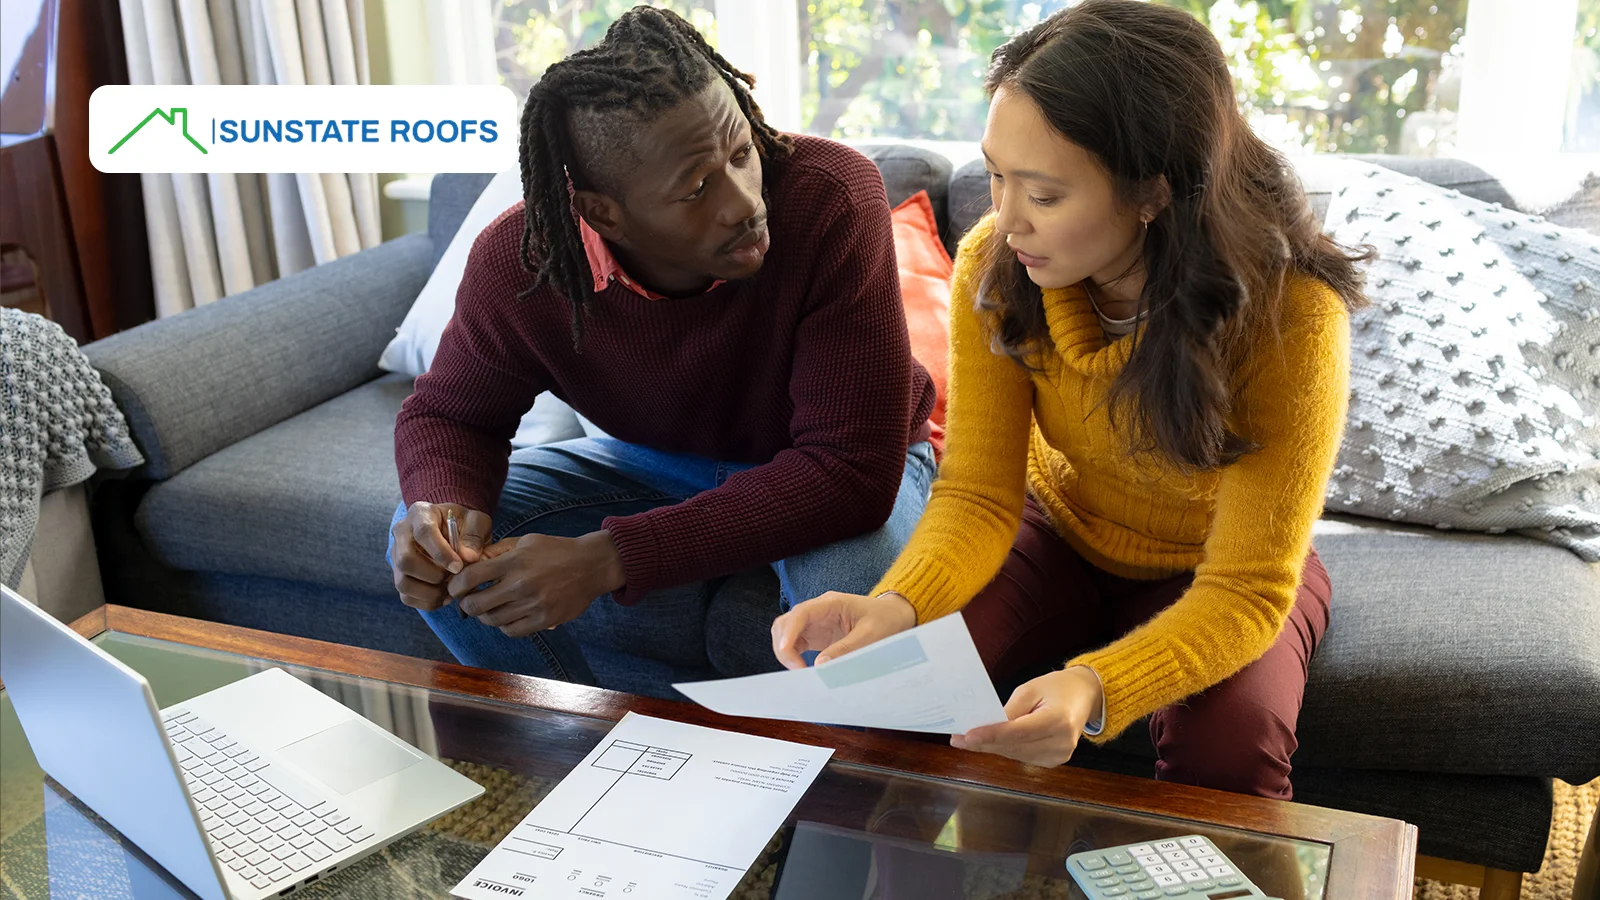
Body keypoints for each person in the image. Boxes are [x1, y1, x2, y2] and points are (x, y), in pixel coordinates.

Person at [771, 0, 1369, 800]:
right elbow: (981, 493)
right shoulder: (994, 262)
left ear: (1153, 191)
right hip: (1057, 531)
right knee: (897, 690)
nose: (1003, 218)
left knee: (1232, 749)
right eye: (994, 176)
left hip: (1216, 566)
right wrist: (897, 604)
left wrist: (1094, 687)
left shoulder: (1291, 315)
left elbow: (1248, 586)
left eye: (1044, 195)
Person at [389, 7, 936, 695]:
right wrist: (438, 507)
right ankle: (575, 750)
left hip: (851, 465)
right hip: (655, 464)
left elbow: (850, 472)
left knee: (849, 624)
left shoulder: (831, 197)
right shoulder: (522, 262)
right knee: (449, 555)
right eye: (698, 188)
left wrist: (606, 558)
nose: (744, 201)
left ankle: (857, 798)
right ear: (604, 212)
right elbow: (451, 415)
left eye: (743, 154)